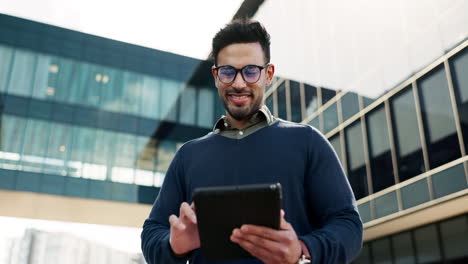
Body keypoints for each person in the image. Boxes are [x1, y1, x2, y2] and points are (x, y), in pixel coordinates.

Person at [141, 20, 363, 264]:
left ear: (268, 74)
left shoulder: (307, 142)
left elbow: (348, 225)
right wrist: (174, 245)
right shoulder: (188, 155)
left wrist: (301, 249)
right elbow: (152, 232)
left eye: (250, 71)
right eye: (228, 71)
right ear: (216, 76)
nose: (238, 83)